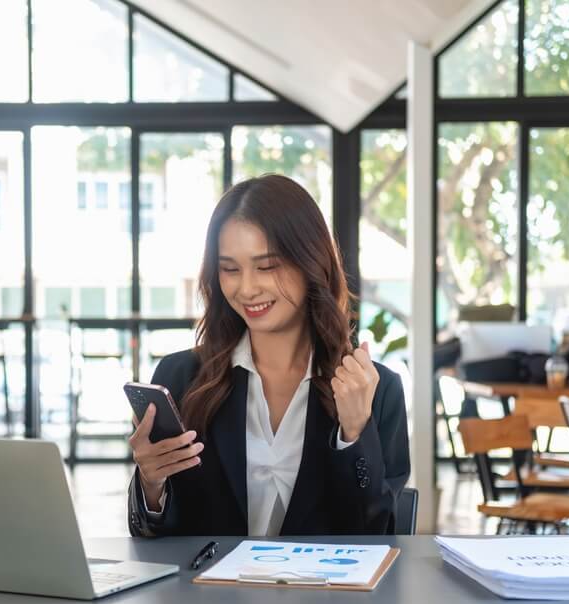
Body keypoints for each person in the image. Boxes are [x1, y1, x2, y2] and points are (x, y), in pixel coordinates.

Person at [126, 174, 410, 537]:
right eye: (230, 269)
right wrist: (151, 484)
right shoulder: (182, 377)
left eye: (267, 266)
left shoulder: (377, 390)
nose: (246, 288)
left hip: (326, 594)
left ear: (311, 263)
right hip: (209, 593)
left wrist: (354, 435)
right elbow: (156, 537)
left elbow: (377, 537)